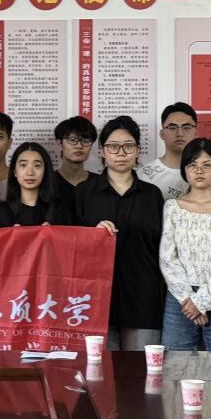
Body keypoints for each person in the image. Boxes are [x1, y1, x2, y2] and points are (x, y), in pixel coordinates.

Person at [74, 116, 165, 351]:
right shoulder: (84, 193)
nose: (121, 153)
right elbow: (69, 245)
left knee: (141, 369)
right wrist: (92, 236)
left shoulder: (152, 195)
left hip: (143, 297)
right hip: (96, 298)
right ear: (102, 151)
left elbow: (163, 248)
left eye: (128, 146)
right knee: (100, 369)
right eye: (113, 146)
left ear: (138, 151)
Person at [158, 138, 211, 368]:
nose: (199, 171)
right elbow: (167, 258)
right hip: (180, 300)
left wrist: (202, 301)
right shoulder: (173, 207)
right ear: (184, 169)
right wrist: (189, 300)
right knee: (177, 376)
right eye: (192, 165)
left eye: (207, 165)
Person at [140, 102, 211, 201]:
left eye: (187, 127)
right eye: (172, 128)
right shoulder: (144, 174)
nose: (180, 133)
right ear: (162, 134)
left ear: (196, 132)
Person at [0, 142, 70, 227]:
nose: (30, 172)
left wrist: (52, 233)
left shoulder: (59, 210)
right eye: (23, 165)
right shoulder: (0, 211)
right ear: (14, 172)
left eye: (37, 166)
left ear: (45, 171)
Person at [53, 115, 96, 215]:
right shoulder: (48, 182)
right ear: (59, 144)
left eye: (85, 141)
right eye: (72, 140)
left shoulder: (100, 183)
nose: (79, 146)